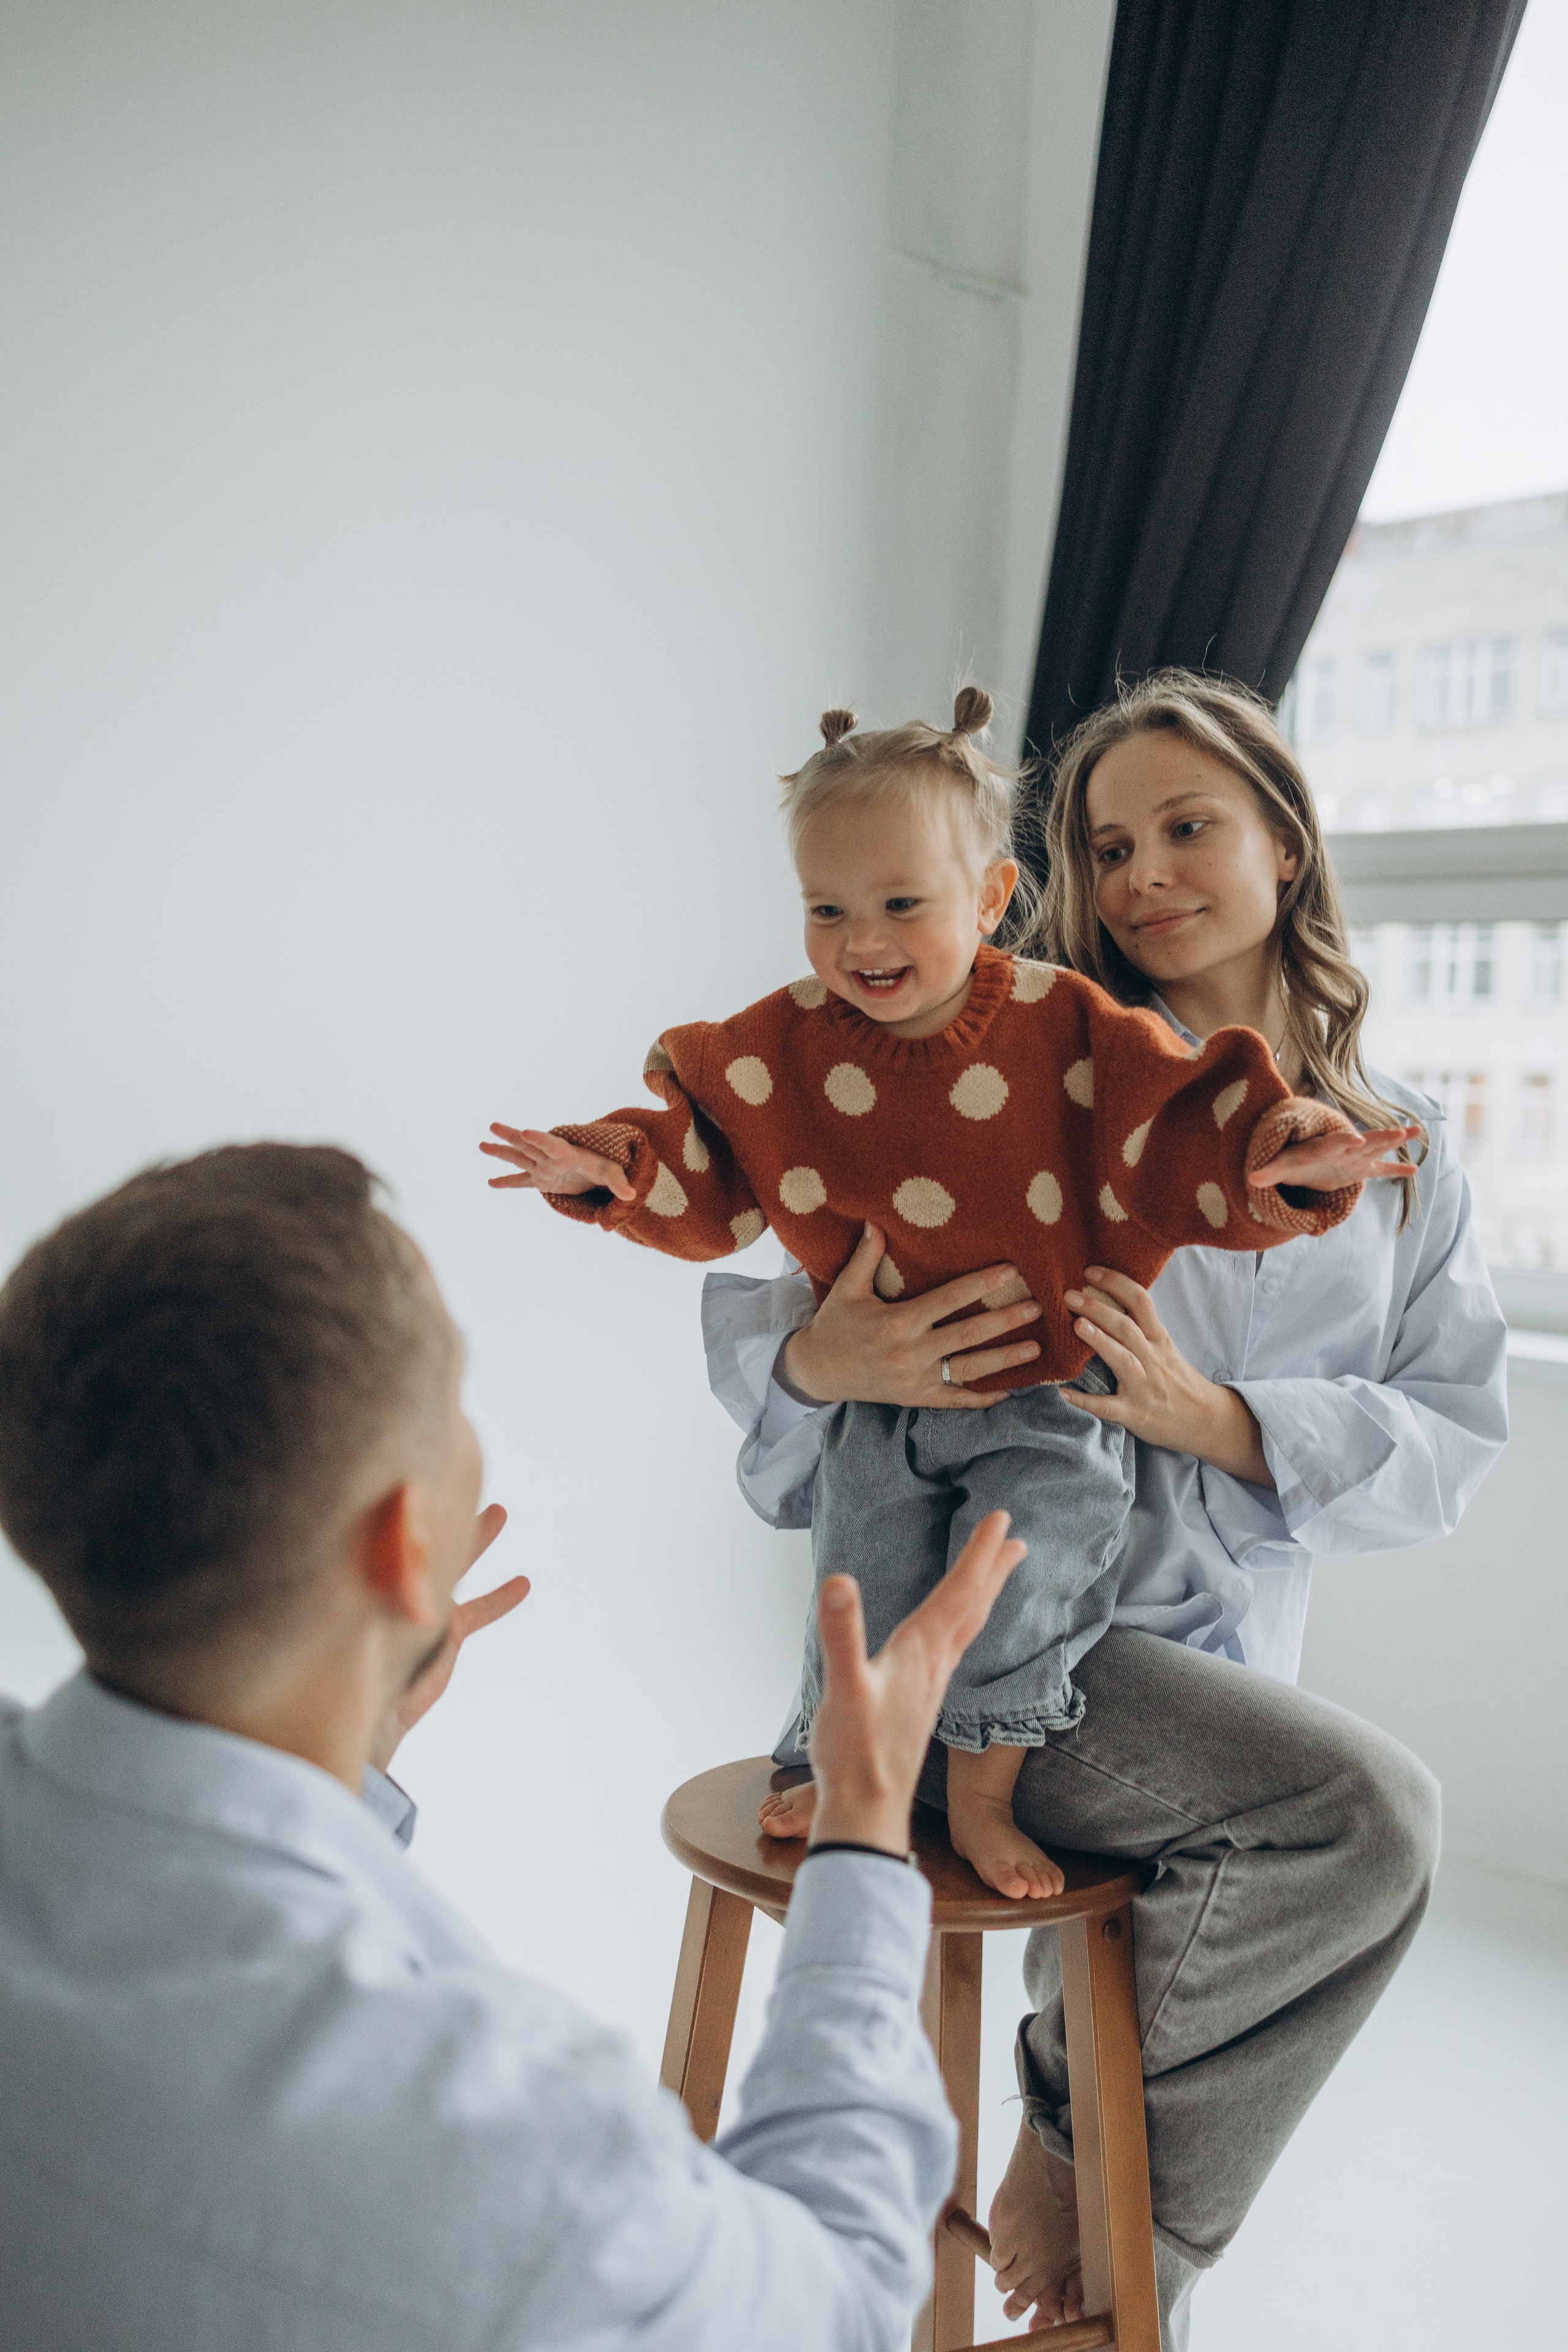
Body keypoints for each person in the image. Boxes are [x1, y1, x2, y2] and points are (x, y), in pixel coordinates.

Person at [701, 669, 1509, 2348]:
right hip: (992, 1639)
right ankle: (1101, 2209)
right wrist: (830, 1353)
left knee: (1300, 1868)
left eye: (1187, 828)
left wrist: (1219, 1421)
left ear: (1287, 844)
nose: (1140, 874)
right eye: (1106, 842)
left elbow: (1451, 1435)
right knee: (1369, 1822)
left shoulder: (1399, 1150)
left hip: (1209, 1678)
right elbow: (763, 1239)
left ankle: (1100, 2226)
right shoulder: (1007, 1059)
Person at [0, 1140, 1039, 2352]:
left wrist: (348, 1746)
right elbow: (836, 2299)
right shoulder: (517, 2150)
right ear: (401, 1549)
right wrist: (862, 1831)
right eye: (449, 1406)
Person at [481, 687, 1413, 1902]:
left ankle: (982, 1796)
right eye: (826, 909)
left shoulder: (1078, 1037)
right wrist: (615, 1169)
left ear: (986, 899)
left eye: (899, 905)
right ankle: (840, 1764)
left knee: (1034, 1566)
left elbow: (1193, 1136)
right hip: (892, 1417)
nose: (860, 940)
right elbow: (705, 1150)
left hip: (1056, 1420)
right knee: (859, 1571)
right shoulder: (789, 1046)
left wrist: (1283, 1156)